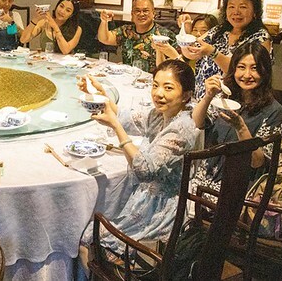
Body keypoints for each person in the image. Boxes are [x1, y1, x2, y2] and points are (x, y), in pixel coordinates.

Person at [79, 59, 200, 266]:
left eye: (168, 88)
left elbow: (145, 170)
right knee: (88, 233)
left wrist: (117, 128)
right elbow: (125, 117)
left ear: (186, 95)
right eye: (155, 85)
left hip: (160, 210)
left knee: (89, 239)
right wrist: (99, 95)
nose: (158, 93)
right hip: (143, 199)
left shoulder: (181, 129)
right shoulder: (160, 115)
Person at [190, 42, 282, 193]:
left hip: (236, 184)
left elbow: (258, 162)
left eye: (254, 68)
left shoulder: (273, 110)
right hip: (203, 172)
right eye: (241, 67)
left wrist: (241, 128)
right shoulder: (225, 97)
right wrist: (208, 96)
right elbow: (195, 123)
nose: (247, 75)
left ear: (265, 71)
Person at [182, 0, 272, 99]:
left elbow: (243, 72)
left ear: (255, 12)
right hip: (202, 100)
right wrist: (185, 33)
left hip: (234, 102)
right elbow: (191, 52)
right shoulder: (218, 31)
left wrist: (213, 52)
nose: (236, 12)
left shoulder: (261, 37)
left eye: (243, 7)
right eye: (231, 7)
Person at [97, 0, 178, 73]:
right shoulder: (126, 31)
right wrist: (104, 21)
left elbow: (177, 65)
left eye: (145, 11)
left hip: (155, 80)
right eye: (137, 11)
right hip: (128, 77)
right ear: (132, 14)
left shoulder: (164, 35)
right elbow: (105, 39)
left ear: (153, 13)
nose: (141, 14)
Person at [154, 14, 219, 68]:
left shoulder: (213, 54)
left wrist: (175, 56)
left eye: (204, 30)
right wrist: (159, 47)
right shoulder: (191, 48)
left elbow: (192, 77)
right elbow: (162, 68)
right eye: (195, 30)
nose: (198, 34)